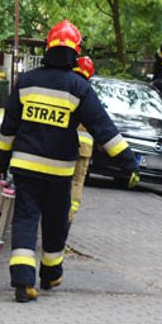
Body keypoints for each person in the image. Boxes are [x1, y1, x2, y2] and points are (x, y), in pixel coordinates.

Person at [0, 21, 140, 303]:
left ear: (47, 48)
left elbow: (8, 128)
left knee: (24, 221)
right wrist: (129, 164)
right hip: (58, 172)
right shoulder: (78, 87)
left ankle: (23, 283)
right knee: (55, 223)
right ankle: (50, 275)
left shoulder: (26, 82)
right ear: (76, 52)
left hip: (24, 167)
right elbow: (103, 128)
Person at [69, 55, 97, 226]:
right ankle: (68, 218)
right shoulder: (89, 94)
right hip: (84, 150)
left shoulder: (67, 88)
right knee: (77, 183)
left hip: (64, 146)